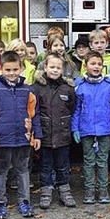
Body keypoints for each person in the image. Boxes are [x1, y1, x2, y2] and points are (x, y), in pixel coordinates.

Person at [0, 51, 42, 219]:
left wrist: (37, 136)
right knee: (0, 172)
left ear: (21, 68)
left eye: (15, 69)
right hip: (1, 139)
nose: (12, 73)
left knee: (23, 171)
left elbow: (35, 114)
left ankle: (25, 201)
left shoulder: (28, 90)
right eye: (8, 70)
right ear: (1, 69)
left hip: (23, 138)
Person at [72, 51, 110, 205]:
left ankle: (103, 189)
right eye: (93, 64)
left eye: (99, 64)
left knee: (103, 161)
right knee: (89, 161)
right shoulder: (80, 86)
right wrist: (75, 128)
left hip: (105, 129)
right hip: (86, 129)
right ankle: (89, 189)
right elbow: (76, 109)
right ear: (85, 66)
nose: (96, 67)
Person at [34, 54, 77, 209]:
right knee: (46, 165)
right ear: (45, 68)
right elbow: (35, 110)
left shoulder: (68, 88)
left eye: (58, 67)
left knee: (63, 165)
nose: (55, 70)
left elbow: (72, 107)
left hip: (62, 133)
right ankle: (46, 191)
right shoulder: (38, 87)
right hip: (45, 134)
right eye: (52, 67)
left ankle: (64, 190)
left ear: (62, 69)